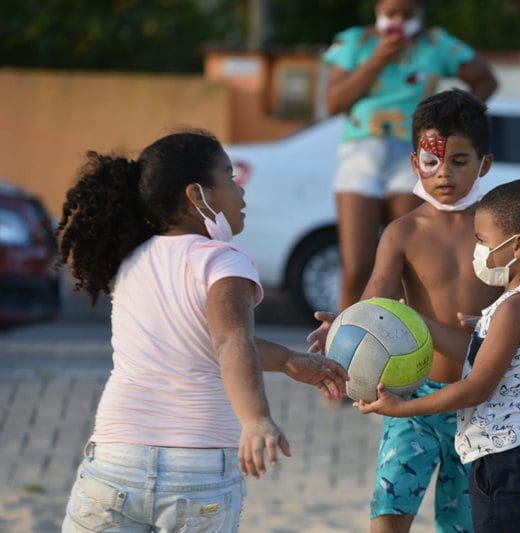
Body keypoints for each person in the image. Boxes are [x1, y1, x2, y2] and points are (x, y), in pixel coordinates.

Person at [58, 131, 348, 532]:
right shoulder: (221, 260)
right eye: (230, 177)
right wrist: (256, 419)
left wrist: (288, 361)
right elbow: (230, 340)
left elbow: (203, 342)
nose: (240, 190)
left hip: (114, 460)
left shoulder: (132, 262)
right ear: (197, 196)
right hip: (196, 472)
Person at [309, 89, 501, 533]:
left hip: (481, 403)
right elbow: (373, 304)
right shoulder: (403, 232)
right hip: (411, 398)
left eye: (459, 161)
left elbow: (518, 304)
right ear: (415, 164)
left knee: (464, 523)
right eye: (432, 162)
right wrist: (341, 331)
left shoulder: (498, 231)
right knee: (389, 512)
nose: (444, 174)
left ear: (484, 164)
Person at [356, 179, 520, 533]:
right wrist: (420, 322)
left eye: (483, 241)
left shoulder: (514, 309)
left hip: (509, 461)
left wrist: (402, 409)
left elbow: (476, 387)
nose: (478, 250)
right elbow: (477, 356)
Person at [323, 0, 498, 310]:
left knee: (408, 257)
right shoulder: (355, 42)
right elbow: (334, 102)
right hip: (361, 152)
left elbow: (486, 78)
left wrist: (455, 120)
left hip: (415, 153)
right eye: (392, 13)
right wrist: (377, 58)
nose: (400, 21)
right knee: (356, 266)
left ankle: (404, 339)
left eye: (408, 14)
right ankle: (341, 342)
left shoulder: (435, 44)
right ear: (378, 7)